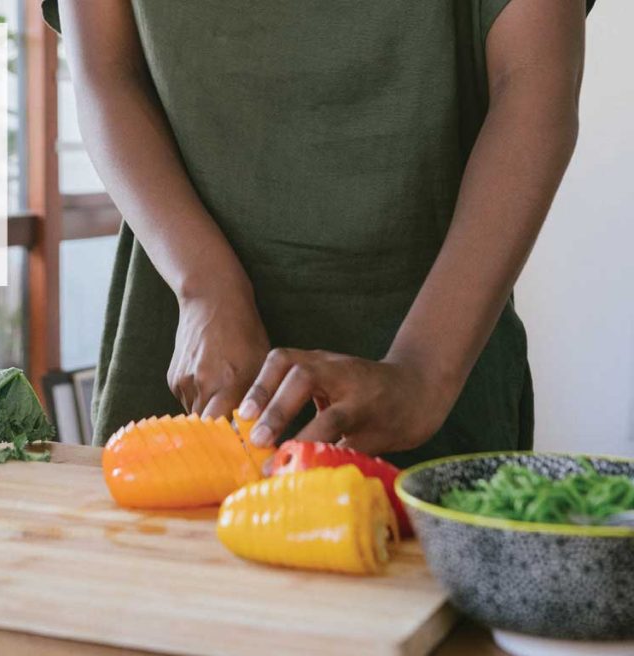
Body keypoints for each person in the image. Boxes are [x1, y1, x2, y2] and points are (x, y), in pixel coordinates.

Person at [44, 0, 593, 466]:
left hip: (440, 344)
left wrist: (424, 371)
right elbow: (107, 73)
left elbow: (533, 82)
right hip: (185, 344)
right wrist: (204, 285)